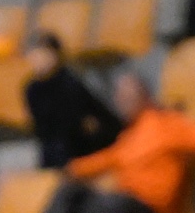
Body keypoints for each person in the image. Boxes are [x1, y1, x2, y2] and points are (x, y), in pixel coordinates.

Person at [40, 72, 195, 213]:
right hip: (124, 202)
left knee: (95, 208)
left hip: (149, 208)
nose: (122, 101)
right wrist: (73, 168)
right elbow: (107, 158)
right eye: (120, 96)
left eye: (128, 95)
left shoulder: (168, 124)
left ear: (145, 96)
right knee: (71, 192)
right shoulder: (129, 136)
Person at [22, 33, 123, 170]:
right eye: (33, 55)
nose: (36, 60)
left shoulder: (72, 83)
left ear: (54, 55)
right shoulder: (32, 90)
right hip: (53, 151)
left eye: (41, 54)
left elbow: (86, 123)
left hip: (81, 149)